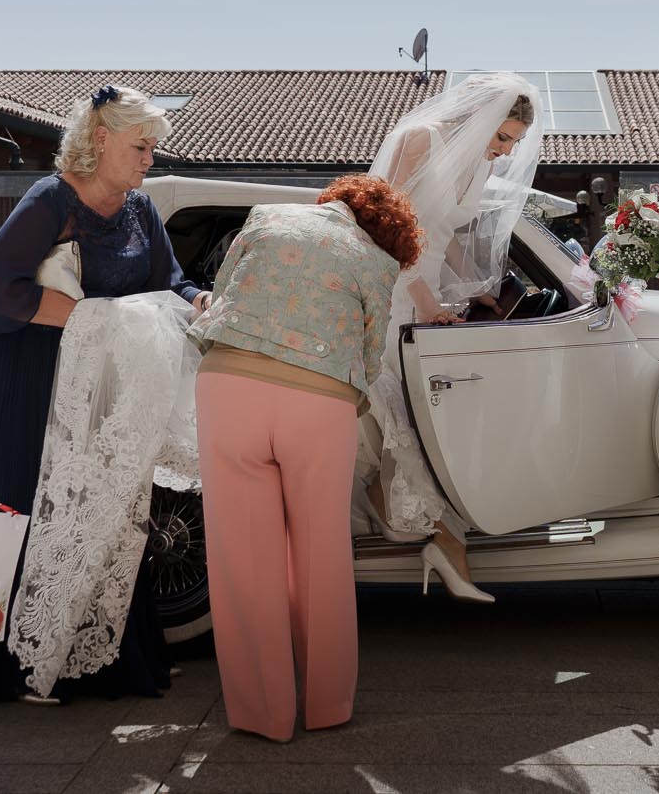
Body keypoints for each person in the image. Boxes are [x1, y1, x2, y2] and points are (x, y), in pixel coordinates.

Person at [0, 85, 214, 703]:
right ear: (101, 139)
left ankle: (99, 657)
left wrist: (197, 298)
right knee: (25, 503)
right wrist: (86, 317)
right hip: (31, 377)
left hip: (100, 381)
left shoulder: (141, 209)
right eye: (141, 147)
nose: (149, 159)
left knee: (104, 507)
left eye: (153, 148)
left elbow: (167, 281)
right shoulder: (50, 200)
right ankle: (9, 665)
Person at [191, 173, 420, 741]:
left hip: (228, 384)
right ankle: (326, 705)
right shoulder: (376, 262)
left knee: (243, 557)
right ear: (386, 234)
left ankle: (262, 714)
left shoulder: (264, 216)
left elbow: (223, 293)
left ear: (335, 201)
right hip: (319, 400)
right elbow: (370, 353)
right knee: (322, 554)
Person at [364, 72, 542, 601]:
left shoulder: (478, 160)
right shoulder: (421, 140)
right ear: (478, 117)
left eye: (512, 142)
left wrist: (479, 289)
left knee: (426, 417)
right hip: (394, 294)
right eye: (502, 137)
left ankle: (432, 534)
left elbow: (443, 233)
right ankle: (431, 536)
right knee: (399, 416)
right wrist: (422, 298)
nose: (504, 151)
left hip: (430, 302)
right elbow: (385, 228)